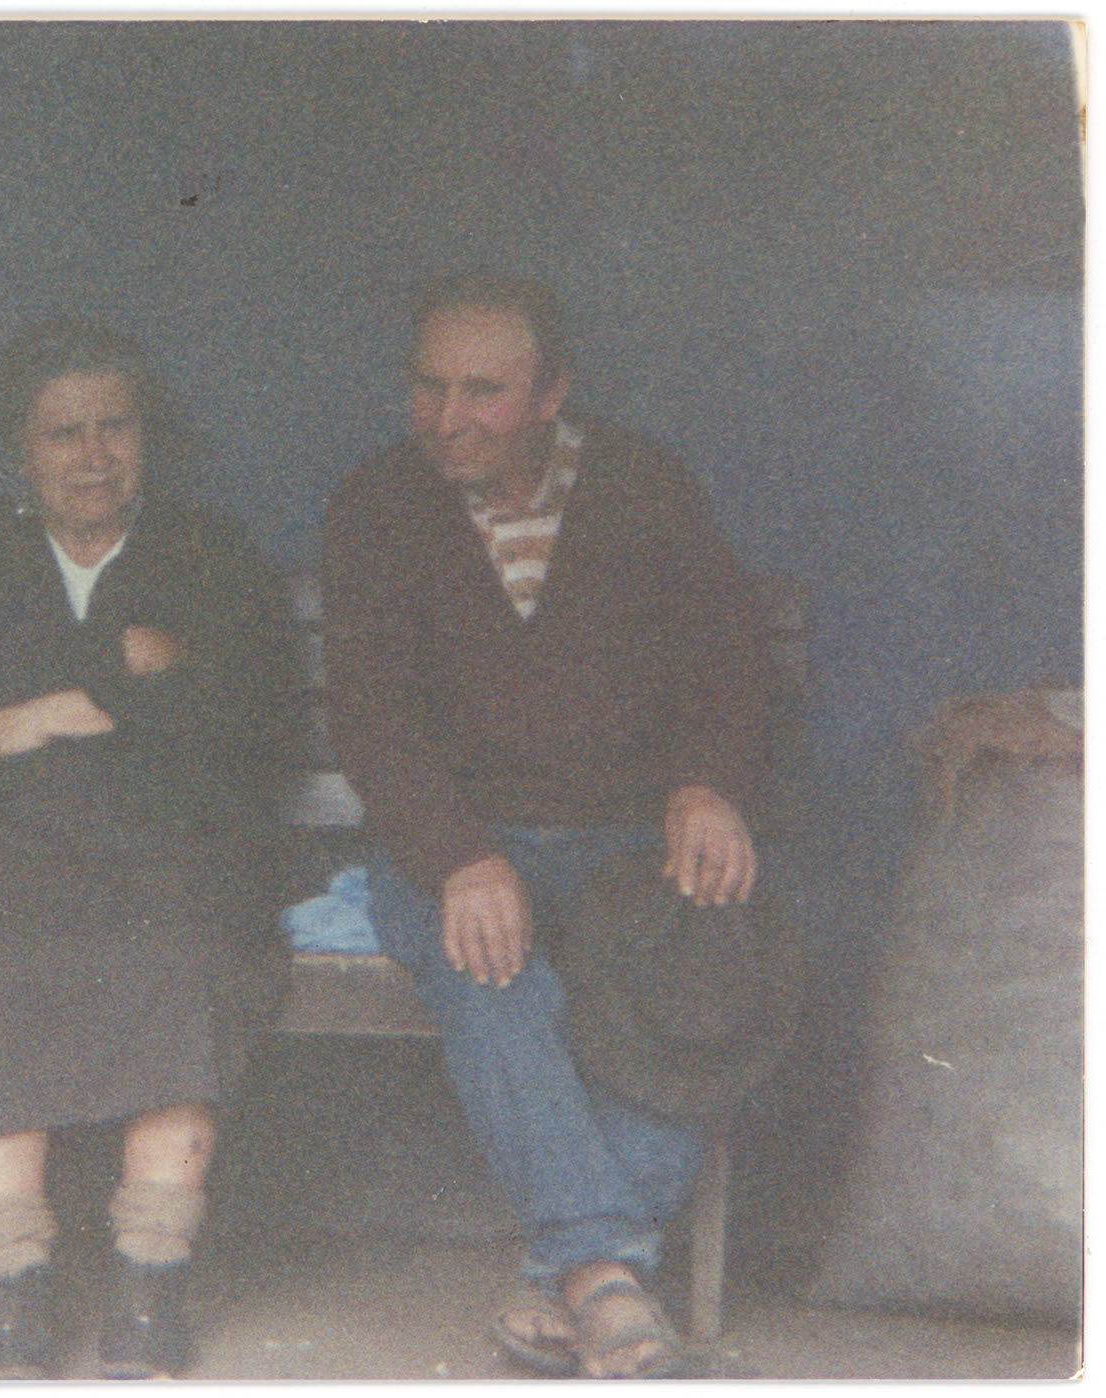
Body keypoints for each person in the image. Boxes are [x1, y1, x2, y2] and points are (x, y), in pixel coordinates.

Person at [321, 274, 766, 1380]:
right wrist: (462, 855)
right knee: (493, 967)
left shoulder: (645, 487)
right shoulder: (377, 505)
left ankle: (565, 1277)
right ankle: (610, 1278)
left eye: (485, 390)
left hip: (621, 843)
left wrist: (706, 784)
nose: (448, 417)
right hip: (457, 843)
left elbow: (729, 661)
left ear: (553, 392)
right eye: (428, 386)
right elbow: (375, 723)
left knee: (707, 963)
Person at [0, 318, 300, 1380]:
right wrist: (131, 676)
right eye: (61, 431)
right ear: (18, 452)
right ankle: (12, 1283)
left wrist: (33, 712)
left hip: (172, 833)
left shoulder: (210, 551)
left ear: (147, 438)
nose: (92, 454)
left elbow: (250, 712)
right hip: (4, 840)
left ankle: (150, 1277)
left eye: (114, 425)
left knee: (174, 941)